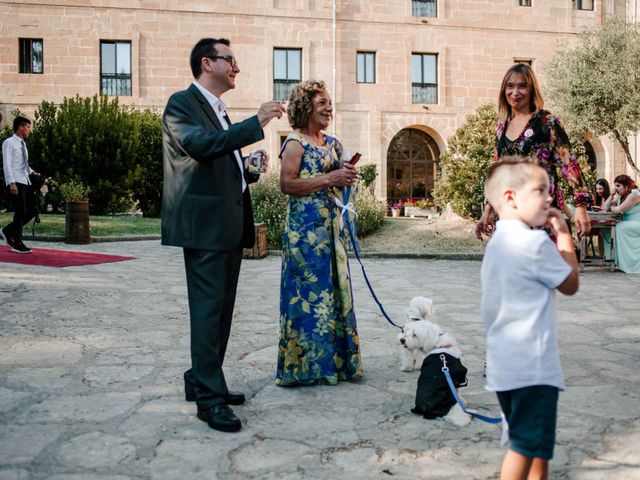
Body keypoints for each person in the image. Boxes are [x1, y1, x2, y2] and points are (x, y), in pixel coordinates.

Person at [161, 37, 286, 432]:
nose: (236, 67)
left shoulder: (218, 109)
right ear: (206, 63)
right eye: (230, 60)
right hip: (204, 229)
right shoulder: (182, 103)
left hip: (227, 226)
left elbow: (216, 161)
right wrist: (257, 123)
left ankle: (202, 378)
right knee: (207, 313)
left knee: (221, 313)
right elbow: (198, 146)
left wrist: (245, 167)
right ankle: (209, 400)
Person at [481, 156, 579, 480]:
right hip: (534, 368)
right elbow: (570, 284)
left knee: (533, 442)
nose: (550, 198)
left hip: (504, 366)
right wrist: (563, 234)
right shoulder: (536, 242)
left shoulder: (496, 244)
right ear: (511, 197)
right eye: (541, 190)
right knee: (524, 446)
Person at [276, 80, 363, 386]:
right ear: (306, 108)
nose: (329, 108)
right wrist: (330, 178)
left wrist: (346, 176)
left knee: (335, 291)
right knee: (306, 297)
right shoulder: (295, 143)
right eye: (322, 103)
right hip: (304, 234)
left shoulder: (333, 144)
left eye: (330, 103)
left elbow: (338, 181)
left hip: (331, 229)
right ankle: (303, 368)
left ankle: (337, 364)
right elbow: (286, 185)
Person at [475, 63, 592, 241]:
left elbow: (570, 164)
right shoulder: (501, 127)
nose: (515, 92)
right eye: (510, 86)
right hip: (509, 219)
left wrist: (581, 207)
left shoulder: (548, 123)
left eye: (522, 86)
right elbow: (497, 173)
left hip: (542, 218)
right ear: (503, 90)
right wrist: (488, 211)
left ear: (531, 90)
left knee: (544, 267)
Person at [1, 116, 40, 254]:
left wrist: (33, 172)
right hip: (16, 181)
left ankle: (7, 231)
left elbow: (23, 165)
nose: (29, 130)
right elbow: (7, 164)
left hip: (25, 180)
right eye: (28, 127)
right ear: (21, 127)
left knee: (32, 210)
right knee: (20, 210)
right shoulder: (9, 143)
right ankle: (17, 242)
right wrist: (11, 183)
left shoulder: (23, 144)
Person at [601, 174, 640, 273]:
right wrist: (611, 195)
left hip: (637, 223)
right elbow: (605, 208)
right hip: (629, 224)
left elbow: (619, 209)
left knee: (620, 226)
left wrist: (613, 208)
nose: (616, 188)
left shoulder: (634, 194)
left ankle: (629, 264)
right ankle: (612, 259)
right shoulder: (620, 197)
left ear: (627, 187)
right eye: (615, 186)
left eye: (618, 186)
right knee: (606, 228)